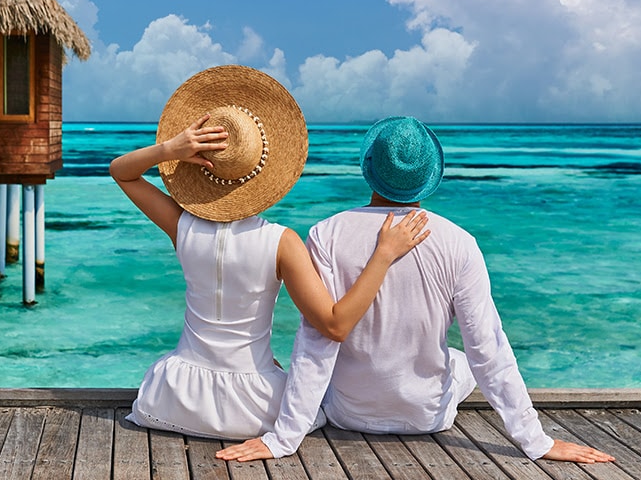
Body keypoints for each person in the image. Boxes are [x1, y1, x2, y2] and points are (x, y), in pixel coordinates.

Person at [217, 116, 616, 465]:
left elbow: (316, 342)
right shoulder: (458, 242)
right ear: (429, 175)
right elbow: (488, 349)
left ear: (369, 168)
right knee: (462, 358)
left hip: (348, 412)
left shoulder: (326, 234)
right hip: (428, 418)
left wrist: (285, 438)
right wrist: (536, 440)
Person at [111, 66, 430, 440]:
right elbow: (335, 325)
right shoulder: (281, 242)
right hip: (252, 408)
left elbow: (122, 172)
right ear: (265, 172)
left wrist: (170, 149)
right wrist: (383, 255)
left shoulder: (182, 227)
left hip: (172, 397)